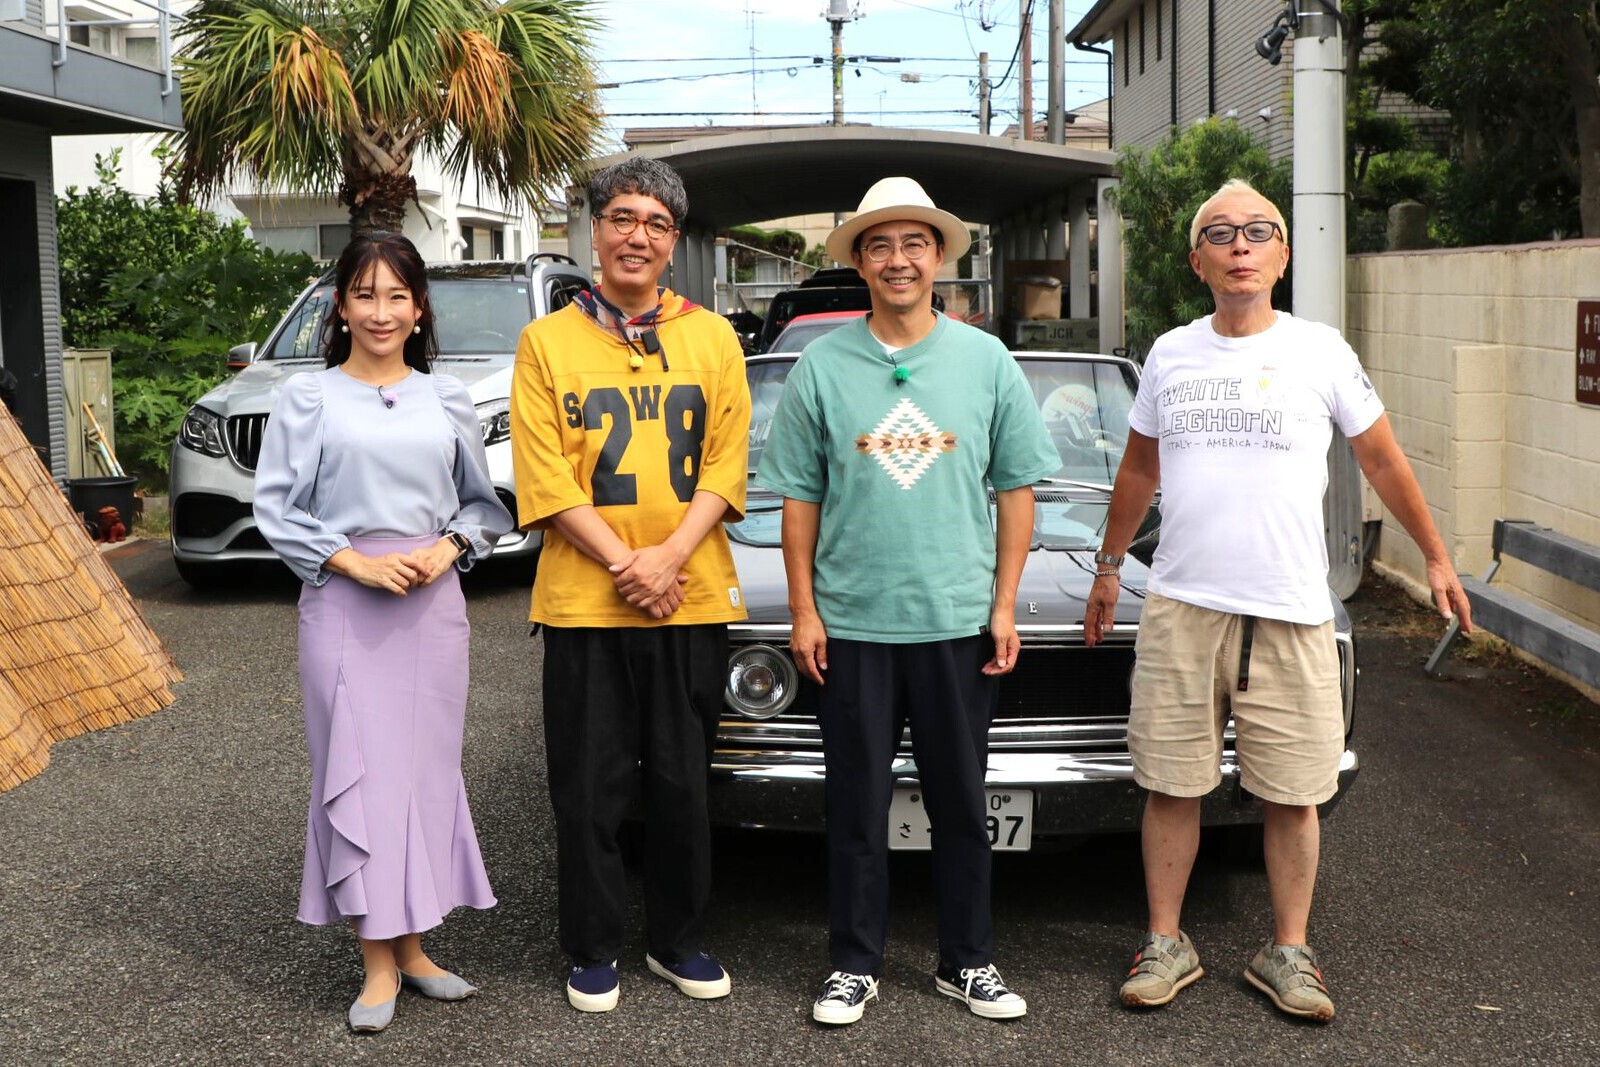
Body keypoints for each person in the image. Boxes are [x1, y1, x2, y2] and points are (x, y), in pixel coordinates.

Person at [1083, 179, 1474, 1023]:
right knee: (1171, 783)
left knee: (1294, 791)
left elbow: (1382, 458)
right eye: (1221, 234)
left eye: (1259, 231)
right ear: (1197, 261)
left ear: (1283, 255)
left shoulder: (1320, 351)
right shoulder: (1170, 354)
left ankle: (1288, 949)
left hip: (1292, 608)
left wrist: (1437, 556)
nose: (1241, 246)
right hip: (1182, 603)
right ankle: (1165, 940)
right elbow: (1140, 468)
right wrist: (1109, 567)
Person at [756, 176, 1058, 1026]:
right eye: (880, 245)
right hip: (852, 623)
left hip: (957, 621)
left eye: (914, 244)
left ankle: (968, 959)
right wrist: (804, 610)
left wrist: (1005, 604)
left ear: (938, 257)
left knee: (961, 800)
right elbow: (799, 498)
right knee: (855, 805)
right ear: (860, 261)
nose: (898, 260)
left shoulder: (986, 360)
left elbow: (1017, 490)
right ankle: (854, 963)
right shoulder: (822, 365)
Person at [253, 233, 514, 1033]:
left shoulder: (448, 398)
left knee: (423, 776)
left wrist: (449, 545)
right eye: (364, 295)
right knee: (360, 775)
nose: (381, 311)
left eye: (397, 295)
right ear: (339, 306)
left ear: (419, 308)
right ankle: (375, 960)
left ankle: (415, 947)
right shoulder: (308, 398)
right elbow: (277, 508)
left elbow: (483, 505)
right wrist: (352, 562)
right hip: (344, 602)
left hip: (432, 609)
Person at [509, 156, 751, 1013]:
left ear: (674, 241)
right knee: (590, 785)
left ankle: (678, 940)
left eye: (655, 222)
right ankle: (593, 945)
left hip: (691, 595)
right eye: (622, 218)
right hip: (584, 605)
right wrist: (629, 563)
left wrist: (669, 557)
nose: (636, 236)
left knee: (683, 783)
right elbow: (545, 477)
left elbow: (726, 464)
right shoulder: (547, 342)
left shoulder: (713, 338)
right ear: (594, 230)